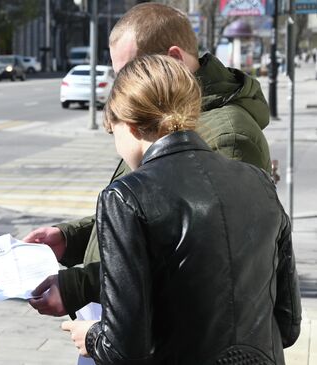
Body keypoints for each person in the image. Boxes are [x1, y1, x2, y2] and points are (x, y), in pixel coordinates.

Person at [26, 2, 273, 319]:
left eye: (129, 71)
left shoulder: (228, 136)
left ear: (172, 58)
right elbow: (149, 218)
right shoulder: (158, 114)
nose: (122, 86)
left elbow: (203, 260)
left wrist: (81, 287)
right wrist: (70, 238)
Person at [60, 54, 301, 364]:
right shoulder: (258, 181)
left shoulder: (125, 196)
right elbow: (288, 324)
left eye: (112, 130)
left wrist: (92, 335)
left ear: (130, 125)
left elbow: (124, 347)